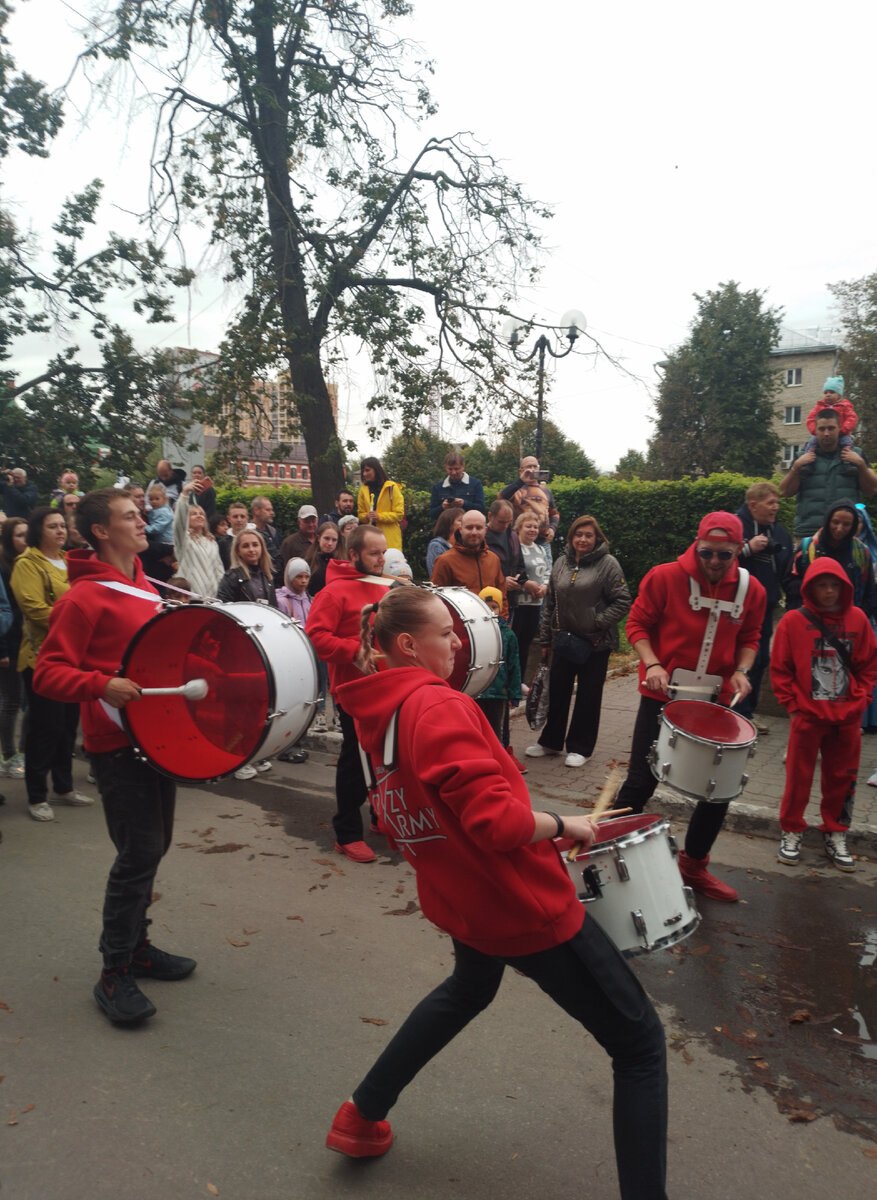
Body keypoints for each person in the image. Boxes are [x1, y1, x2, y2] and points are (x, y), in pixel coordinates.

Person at [325, 586, 668, 1200]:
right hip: (520, 907)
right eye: (446, 634)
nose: (459, 643)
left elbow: (398, 816)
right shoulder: (439, 707)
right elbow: (499, 825)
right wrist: (567, 826)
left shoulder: (375, 714)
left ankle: (361, 1113)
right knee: (640, 1044)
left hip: (465, 899)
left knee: (467, 990)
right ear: (408, 645)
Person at [33, 488, 197, 1024]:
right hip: (114, 741)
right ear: (102, 531)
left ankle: (139, 947)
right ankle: (114, 972)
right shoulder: (82, 597)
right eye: (130, 517)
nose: (142, 523)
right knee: (139, 851)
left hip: (158, 734)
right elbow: (48, 673)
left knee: (156, 845)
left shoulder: (145, 584)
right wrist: (103, 684)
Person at [615, 512, 766, 901]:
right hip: (661, 694)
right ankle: (603, 852)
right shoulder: (665, 577)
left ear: (737, 552)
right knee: (640, 780)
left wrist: (742, 671)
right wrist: (652, 663)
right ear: (696, 547)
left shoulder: (753, 591)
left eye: (724, 556)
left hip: (714, 701)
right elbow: (637, 625)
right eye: (707, 553)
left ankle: (693, 866)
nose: (714, 562)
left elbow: (750, 637)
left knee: (719, 789)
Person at [771, 559, 877, 872]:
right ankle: (791, 830)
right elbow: (781, 668)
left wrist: (861, 700)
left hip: (847, 718)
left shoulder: (857, 619)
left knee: (842, 780)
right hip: (808, 716)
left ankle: (835, 832)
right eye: (822, 584)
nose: (829, 591)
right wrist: (792, 705)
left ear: (845, 587)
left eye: (835, 585)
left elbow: (868, 665)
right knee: (797, 778)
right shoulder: (793, 621)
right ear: (810, 587)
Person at [306, 526, 392, 862]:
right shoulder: (333, 592)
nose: (381, 559)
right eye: (374, 553)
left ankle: (378, 815)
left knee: (384, 757)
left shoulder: (384, 585)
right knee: (356, 759)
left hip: (385, 684)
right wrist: (356, 651)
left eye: (383, 552)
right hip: (352, 689)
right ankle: (346, 832)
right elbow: (316, 636)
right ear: (353, 554)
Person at [526, 515, 630, 768]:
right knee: (558, 692)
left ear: (597, 539)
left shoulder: (608, 564)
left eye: (588, 535)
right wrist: (546, 638)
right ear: (571, 537)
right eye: (578, 535)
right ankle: (550, 742)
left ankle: (580, 747)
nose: (582, 539)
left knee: (588, 696)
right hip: (563, 640)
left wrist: (596, 622)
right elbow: (551, 603)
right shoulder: (561, 563)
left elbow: (622, 600)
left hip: (595, 643)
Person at [11, 506, 92, 821]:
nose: (60, 531)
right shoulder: (27, 563)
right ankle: (36, 796)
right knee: (46, 727)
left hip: (75, 657)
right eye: (52, 526)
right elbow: (34, 609)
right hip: (42, 657)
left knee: (68, 726)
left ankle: (64, 787)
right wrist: (78, 620)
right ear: (37, 530)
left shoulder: (71, 560)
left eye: (62, 525)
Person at [735, 481, 794, 730]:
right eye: (770, 503)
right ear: (753, 505)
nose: (776, 507)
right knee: (739, 661)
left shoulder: (779, 533)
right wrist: (747, 549)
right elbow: (716, 560)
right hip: (737, 608)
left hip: (766, 608)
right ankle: (732, 714)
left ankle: (746, 715)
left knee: (760, 660)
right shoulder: (736, 527)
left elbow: (787, 572)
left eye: (777, 502)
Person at [780, 407, 877, 539]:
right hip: (809, 532)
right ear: (815, 431)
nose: (826, 433)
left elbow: (871, 490)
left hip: (845, 533)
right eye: (821, 429)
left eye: (831, 428)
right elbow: (785, 492)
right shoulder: (802, 457)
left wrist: (861, 465)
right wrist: (796, 467)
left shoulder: (856, 455)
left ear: (839, 428)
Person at [789, 499, 874, 620]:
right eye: (835, 522)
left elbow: (869, 591)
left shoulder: (862, 553)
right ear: (827, 520)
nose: (839, 528)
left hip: (849, 620)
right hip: (812, 618)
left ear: (853, 526)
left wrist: (860, 617)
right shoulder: (807, 548)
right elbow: (791, 582)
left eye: (846, 524)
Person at [475, 586, 523, 771]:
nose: (490, 611)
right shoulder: (474, 633)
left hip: (498, 692)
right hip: (478, 693)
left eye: (494, 607)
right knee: (478, 729)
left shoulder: (509, 635)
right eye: (486, 606)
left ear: (501, 609)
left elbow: (514, 665)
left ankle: (499, 763)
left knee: (497, 731)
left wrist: (514, 693)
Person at [430, 510, 508, 618]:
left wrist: (504, 626)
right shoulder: (445, 561)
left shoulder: (493, 559)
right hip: (461, 628)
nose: (474, 532)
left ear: (485, 530)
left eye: (479, 528)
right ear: (461, 529)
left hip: (492, 627)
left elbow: (502, 596)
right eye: (469, 527)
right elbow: (437, 600)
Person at [0, 518, 27, 781]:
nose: (25, 540)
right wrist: (3, 651)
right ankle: (8, 755)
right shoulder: (4, 567)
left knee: (21, 700)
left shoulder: (26, 563)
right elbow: (5, 610)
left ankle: (19, 752)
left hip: (25, 641)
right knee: (11, 701)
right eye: (20, 536)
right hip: (10, 644)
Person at [511, 511, 551, 684]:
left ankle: (520, 682)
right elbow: (513, 572)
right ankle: (512, 682)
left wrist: (545, 586)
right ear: (519, 528)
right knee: (515, 644)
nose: (532, 530)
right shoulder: (515, 548)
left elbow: (548, 571)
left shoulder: (540, 549)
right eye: (528, 526)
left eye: (535, 526)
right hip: (518, 604)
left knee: (526, 643)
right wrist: (525, 584)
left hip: (536, 604)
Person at [173, 482, 224, 599]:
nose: (199, 516)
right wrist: (185, 494)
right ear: (187, 518)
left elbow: (219, 570)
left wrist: (221, 596)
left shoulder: (212, 541)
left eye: (201, 514)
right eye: (193, 514)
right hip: (189, 598)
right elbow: (179, 523)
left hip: (212, 599)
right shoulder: (184, 539)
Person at [499, 455, 560, 546]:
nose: (532, 469)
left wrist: (552, 528)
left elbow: (554, 513)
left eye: (535, 466)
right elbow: (501, 498)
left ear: (539, 469)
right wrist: (521, 481)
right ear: (521, 471)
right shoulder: (516, 488)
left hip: (543, 542)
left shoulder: (546, 490)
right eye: (528, 467)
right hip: (519, 542)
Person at [484, 499, 527, 612]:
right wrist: (502, 581)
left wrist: (519, 580)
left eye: (509, 522)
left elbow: (520, 565)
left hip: (511, 599)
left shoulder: (513, 536)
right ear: (490, 516)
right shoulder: (481, 537)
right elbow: (478, 571)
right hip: (489, 602)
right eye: (501, 522)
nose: (506, 526)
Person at [217, 529, 279, 607]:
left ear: (262, 548)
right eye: (245, 546)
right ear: (238, 551)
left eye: (255, 545)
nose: (251, 549)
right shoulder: (230, 578)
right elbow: (223, 609)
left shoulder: (268, 576)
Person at [801, 376, 857, 456]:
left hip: (842, 434)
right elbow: (810, 419)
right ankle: (808, 460)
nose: (828, 395)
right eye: (825, 393)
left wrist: (843, 429)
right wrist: (815, 431)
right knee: (811, 442)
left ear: (839, 395)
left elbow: (852, 418)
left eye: (831, 392)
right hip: (821, 434)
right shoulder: (819, 406)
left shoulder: (844, 406)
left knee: (848, 444)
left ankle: (849, 464)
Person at [357, 458, 404, 551]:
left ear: (376, 469)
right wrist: (366, 516)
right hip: (371, 539)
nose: (364, 474)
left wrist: (380, 516)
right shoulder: (363, 490)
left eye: (367, 470)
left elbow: (399, 514)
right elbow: (360, 514)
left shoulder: (392, 487)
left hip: (390, 540)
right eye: (363, 471)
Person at [428, 451, 486, 519]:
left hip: (468, 527)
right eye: (450, 469)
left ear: (463, 466)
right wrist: (442, 507)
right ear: (445, 467)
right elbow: (432, 514)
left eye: (456, 469)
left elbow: (481, 509)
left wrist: (464, 504)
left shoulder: (476, 484)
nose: (453, 472)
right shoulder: (437, 487)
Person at [304, 521, 343, 595]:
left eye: (334, 540)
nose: (330, 543)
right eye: (326, 538)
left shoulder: (342, 563)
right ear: (318, 538)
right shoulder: (308, 562)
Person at [279, 503, 319, 570]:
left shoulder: (321, 540)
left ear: (317, 521)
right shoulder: (289, 543)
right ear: (299, 522)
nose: (311, 524)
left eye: (313, 521)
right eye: (306, 521)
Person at [425, 507, 463, 576]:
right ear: (449, 524)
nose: (464, 524)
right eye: (460, 521)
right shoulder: (436, 546)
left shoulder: (464, 545)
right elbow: (435, 573)